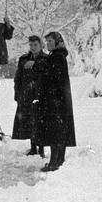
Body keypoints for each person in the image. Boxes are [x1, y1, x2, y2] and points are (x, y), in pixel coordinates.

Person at [32, 31, 76, 171]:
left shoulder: (56, 57)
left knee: (54, 131)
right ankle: (59, 159)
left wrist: (37, 66)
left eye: (50, 41)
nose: (48, 44)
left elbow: (51, 76)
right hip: (59, 99)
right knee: (60, 130)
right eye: (47, 41)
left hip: (54, 100)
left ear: (57, 42)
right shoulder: (58, 56)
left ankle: (54, 162)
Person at [12, 35, 47, 157]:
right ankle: (33, 148)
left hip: (41, 95)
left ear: (41, 45)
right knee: (29, 122)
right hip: (26, 95)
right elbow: (18, 78)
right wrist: (17, 94)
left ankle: (41, 148)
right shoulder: (23, 59)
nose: (32, 47)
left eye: (35, 45)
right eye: (31, 45)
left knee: (40, 121)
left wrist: (36, 63)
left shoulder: (46, 59)